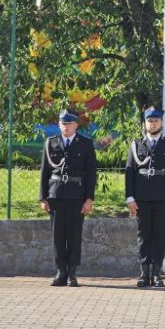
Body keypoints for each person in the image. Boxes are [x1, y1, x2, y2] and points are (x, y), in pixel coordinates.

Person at [39, 110, 98, 287]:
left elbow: (91, 173)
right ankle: (60, 271)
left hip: (76, 195)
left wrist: (89, 199)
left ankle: (72, 272)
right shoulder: (51, 143)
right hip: (56, 195)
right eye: (62, 123)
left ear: (76, 125)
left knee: (74, 235)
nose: (66, 126)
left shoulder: (85, 144)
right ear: (59, 125)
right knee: (58, 236)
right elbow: (44, 171)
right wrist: (43, 198)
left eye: (69, 123)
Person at [125, 107, 165, 288]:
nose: (152, 123)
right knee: (143, 235)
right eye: (149, 121)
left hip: (162, 196)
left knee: (159, 234)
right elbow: (129, 173)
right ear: (145, 123)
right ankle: (144, 273)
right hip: (141, 197)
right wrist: (129, 198)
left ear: (162, 123)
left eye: (156, 121)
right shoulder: (136, 145)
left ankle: (156, 273)